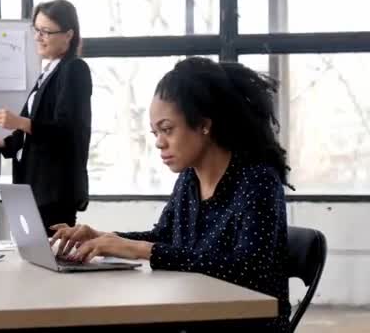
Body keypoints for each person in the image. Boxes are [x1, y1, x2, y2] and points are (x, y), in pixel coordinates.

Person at [50, 57, 292, 332]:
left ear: (203, 124)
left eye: (167, 129)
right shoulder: (189, 179)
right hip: (194, 314)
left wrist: (139, 250)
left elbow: (247, 271)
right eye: (155, 132)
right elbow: (164, 238)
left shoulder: (257, 180)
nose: (158, 142)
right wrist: (104, 238)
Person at [0, 0, 92, 236]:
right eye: (37, 30)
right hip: (32, 186)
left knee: (50, 263)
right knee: (34, 262)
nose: (38, 37)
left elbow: (67, 131)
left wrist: (18, 121)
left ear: (68, 35)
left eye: (46, 31)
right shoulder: (48, 72)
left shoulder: (74, 69)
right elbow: (28, 135)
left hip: (54, 189)